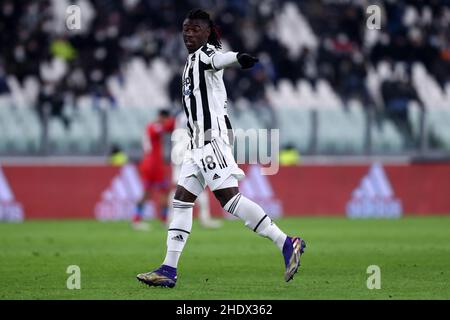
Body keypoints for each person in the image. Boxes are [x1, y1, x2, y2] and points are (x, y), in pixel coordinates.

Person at [136, 9, 306, 288]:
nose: (189, 34)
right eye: (186, 29)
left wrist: (238, 59)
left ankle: (287, 242)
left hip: (210, 140)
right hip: (196, 145)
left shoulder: (205, 55)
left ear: (207, 32)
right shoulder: (191, 62)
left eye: (195, 30)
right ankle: (168, 269)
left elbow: (221, 58)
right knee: (180, 201)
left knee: (229, 201)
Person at [168, 112, 222, 229]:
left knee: (184, 189)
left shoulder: (183, 116)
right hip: (187, 155)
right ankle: (203, 219)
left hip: (184, 155)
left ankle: (172, 218)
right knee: (185, 189)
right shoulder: (191, 116)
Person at [132, 109, 175, 231]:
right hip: (152, 165)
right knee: (149, 192)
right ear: (162, 117)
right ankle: (138, 219)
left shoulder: (153, 126)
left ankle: (162, 219)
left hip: (154, 164)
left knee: (163, 191)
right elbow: (168, 127)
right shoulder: (153, 126)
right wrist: (176, 119)